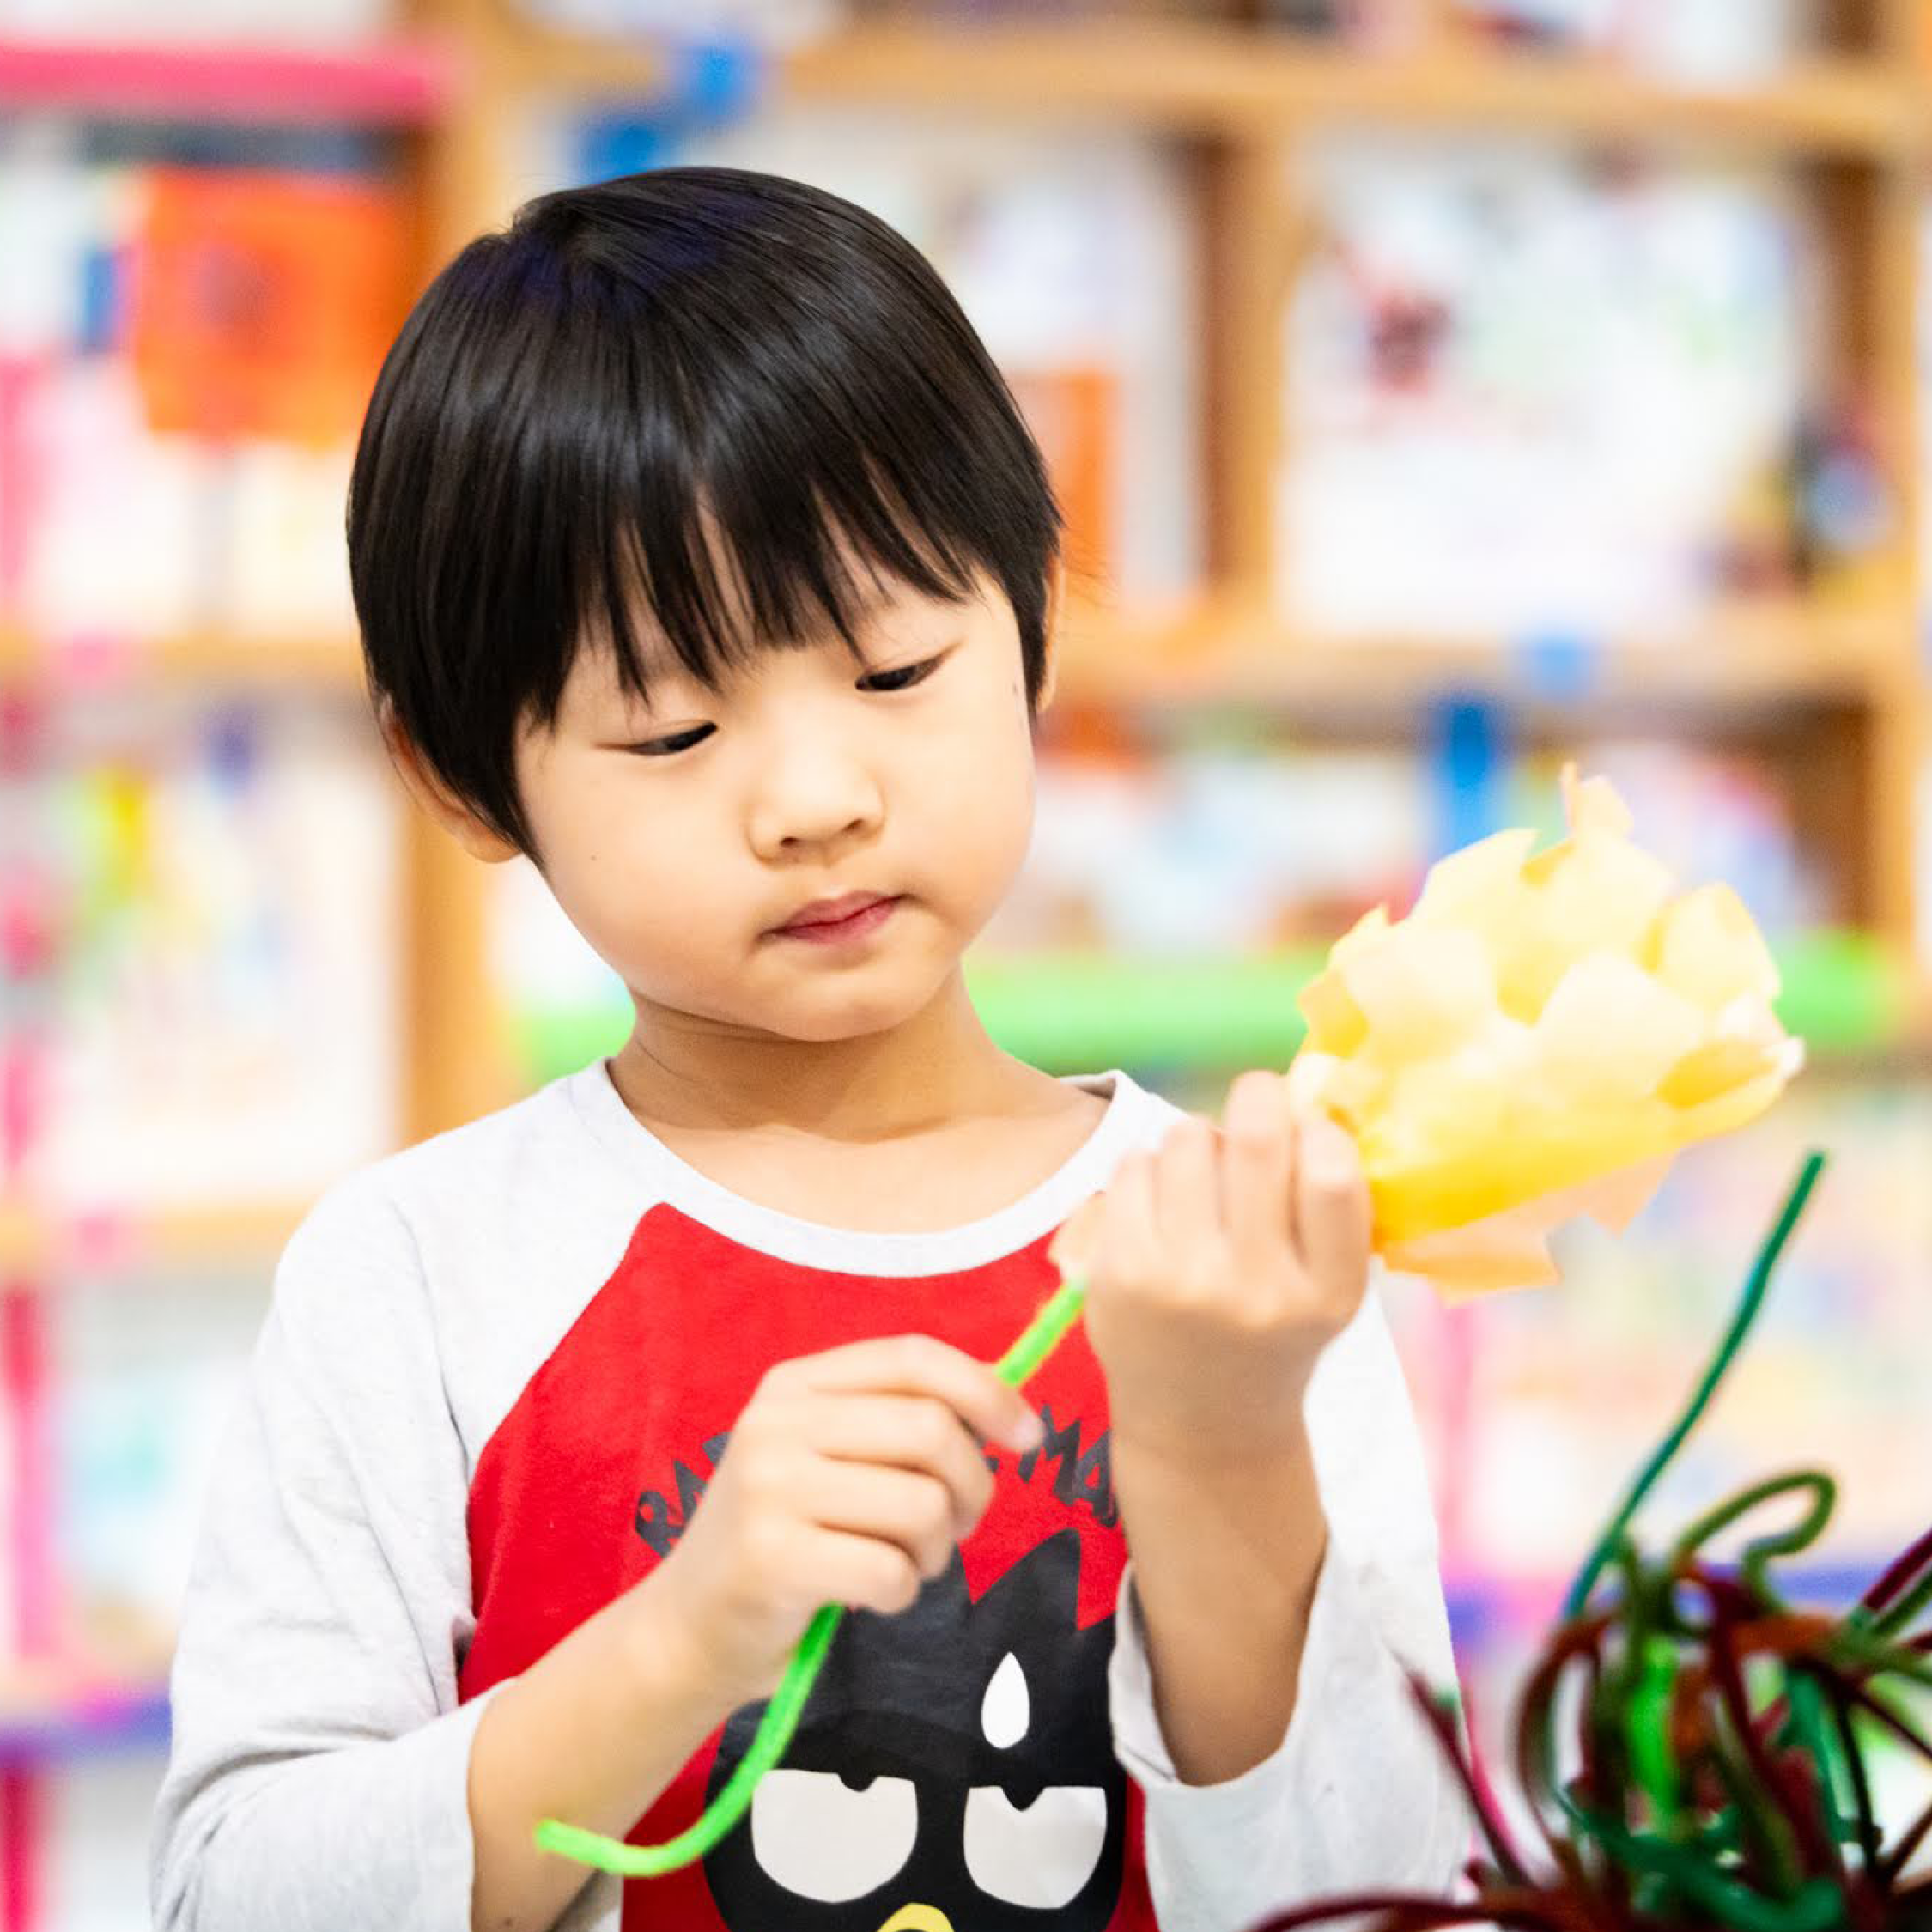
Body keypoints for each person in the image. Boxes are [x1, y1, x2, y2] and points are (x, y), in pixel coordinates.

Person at [149, 166, 1465, 1932]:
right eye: (674, 726)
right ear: (464, 781)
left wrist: (1228, 1457)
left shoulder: (1230, 1257)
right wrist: (682, 1640)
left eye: (899, 670)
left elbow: (1395, 1903)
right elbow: (234, 1899)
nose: (817, 802)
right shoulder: (415, 1279)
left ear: (1029, 633)